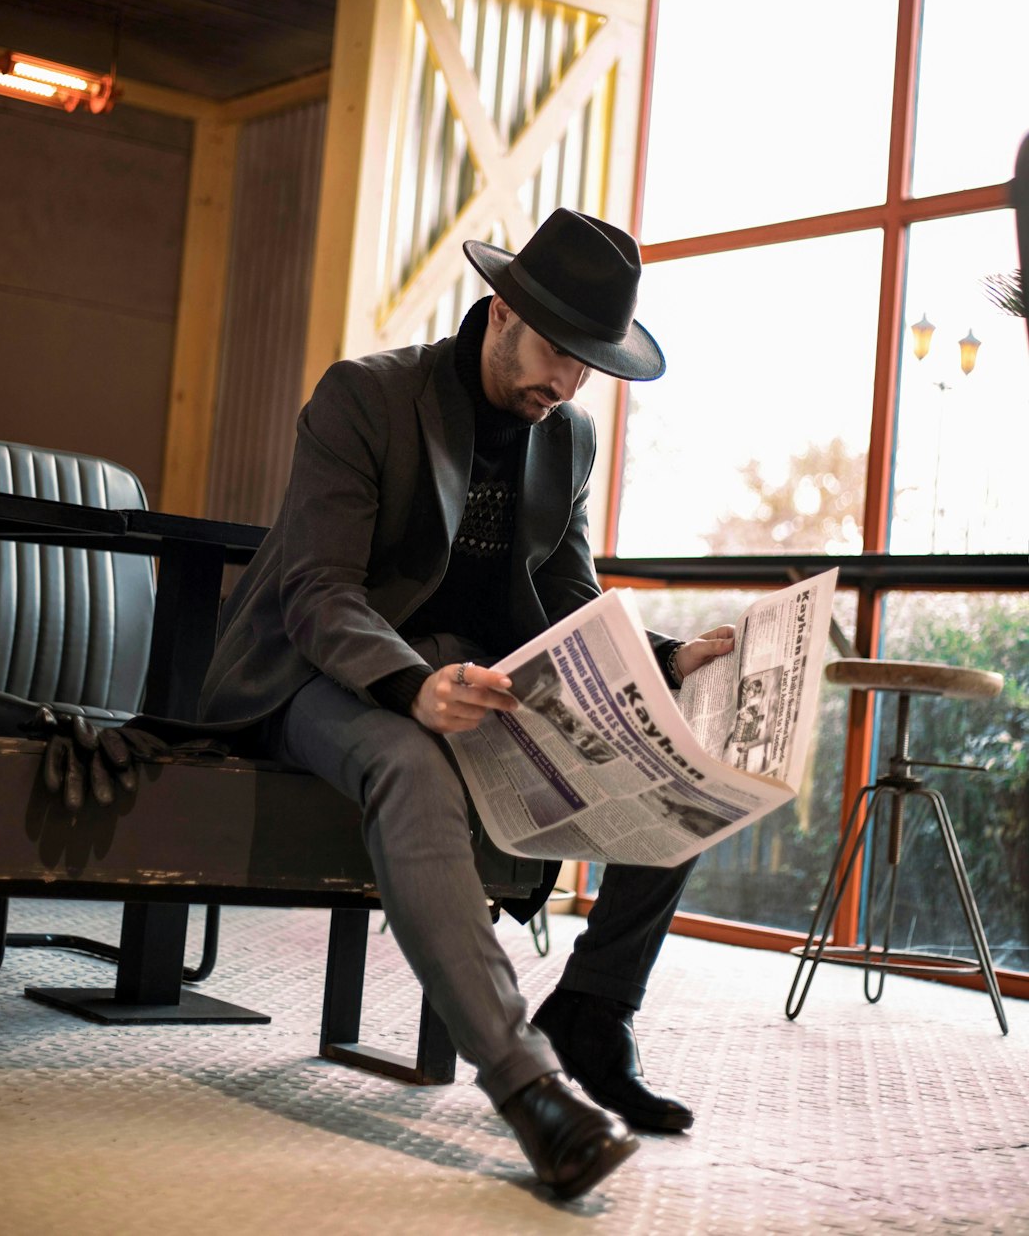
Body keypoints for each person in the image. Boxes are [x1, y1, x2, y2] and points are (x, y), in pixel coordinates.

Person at [199, 208, 734, 1200]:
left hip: (482, 680)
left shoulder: (563, 438)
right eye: (557, 354)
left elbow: (567, 606)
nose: (568, 383)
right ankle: (532, 1092)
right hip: (319, 677)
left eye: (589, 366)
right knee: (408, 764)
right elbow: (317, 595)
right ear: (500, 312)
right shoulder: (364, 397)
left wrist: (667, 659)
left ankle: (594, 1012)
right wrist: (412, 684)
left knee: (681, 767)